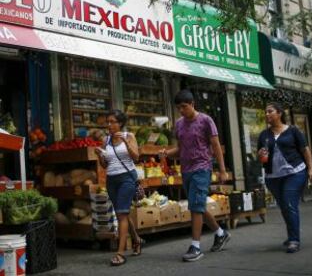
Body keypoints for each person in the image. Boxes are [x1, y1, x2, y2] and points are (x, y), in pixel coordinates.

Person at [160, 89, 230, 262]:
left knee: (195, 206)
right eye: (179, 108)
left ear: (192, 104)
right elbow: (181, 149)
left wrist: (222, 170)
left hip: (202, 168)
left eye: (184, 107)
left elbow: (216, 146)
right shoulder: (179, 124)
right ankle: (220, 234)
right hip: (186, 170)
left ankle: (196, 247)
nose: (182, 111)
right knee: (196, 204)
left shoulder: (206, 120)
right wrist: (168, 153)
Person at [257, 102, 312, 253]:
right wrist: (261, 156)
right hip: (273, 177)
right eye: (266, 112)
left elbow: (305, 150)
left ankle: (294, 240)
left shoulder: (293, 131)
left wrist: (311, 169)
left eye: (270, 111)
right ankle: (291, 236)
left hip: (294, 172)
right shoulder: (264, 135)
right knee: (284, 207)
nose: (267, 114)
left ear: (279, 113)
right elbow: (262, 158)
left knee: (289, 204)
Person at [95, 110, 143, 266]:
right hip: (112, 180)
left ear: (120, 123)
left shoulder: (129, 136)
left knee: (122, 214)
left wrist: (127, 143)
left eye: (112, 121)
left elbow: (136, 157)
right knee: (122, 213)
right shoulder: (106, 140)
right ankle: (136, 240)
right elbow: (104, 165)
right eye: (108, 122)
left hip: (127, 178)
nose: (109, 124)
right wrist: (99, 155)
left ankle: (120, 253)